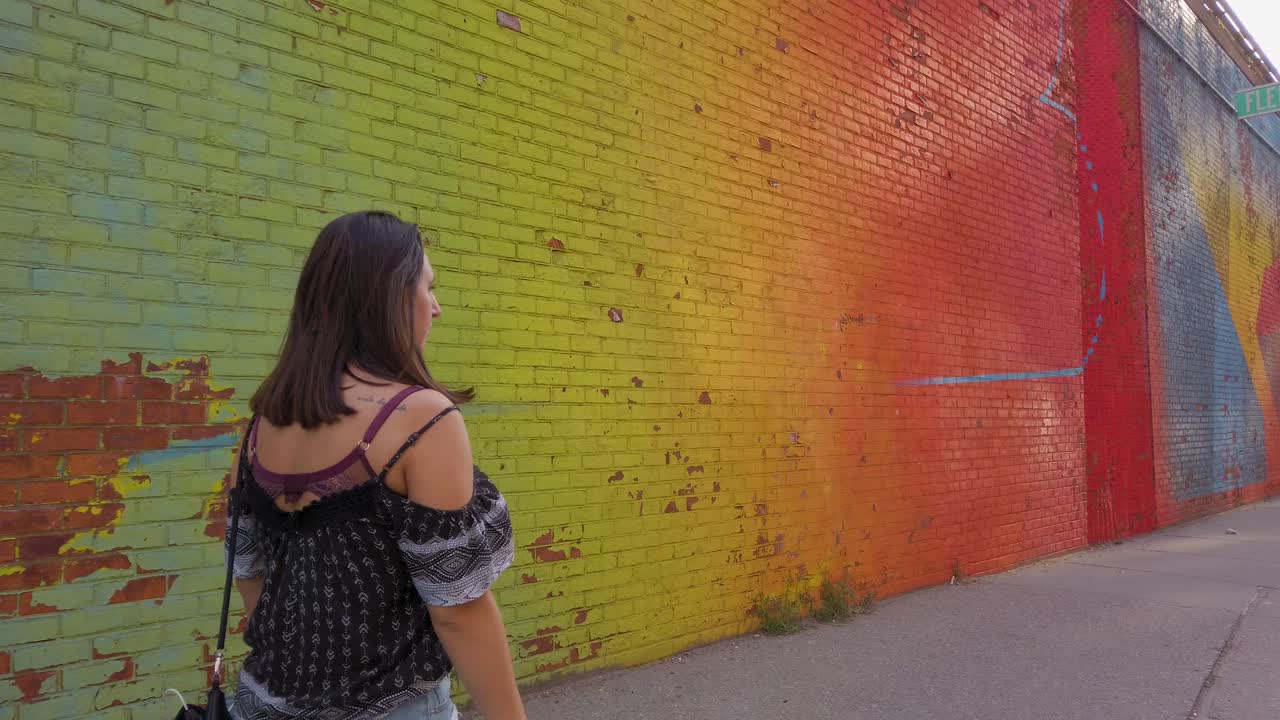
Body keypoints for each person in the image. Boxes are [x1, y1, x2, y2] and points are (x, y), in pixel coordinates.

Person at [225, 210, 524, 720]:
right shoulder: (421, 417)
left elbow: (251, 572)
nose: (437, 307)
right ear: (386, 296)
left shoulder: (262, 421)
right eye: (428, 287)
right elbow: (458, 611)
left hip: (263, 703)